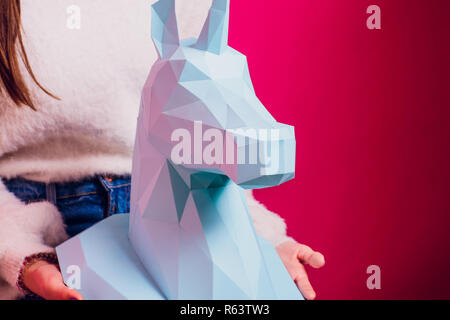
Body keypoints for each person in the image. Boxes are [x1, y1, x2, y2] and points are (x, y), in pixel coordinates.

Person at [0, 0, 325, 300]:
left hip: (174, 217)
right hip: (33, 225)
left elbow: (205, 121)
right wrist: (19, 254)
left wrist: (259, 243)